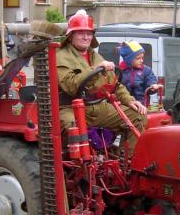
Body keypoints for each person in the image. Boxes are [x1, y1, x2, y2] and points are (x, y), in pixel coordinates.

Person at [56, 10, 147, 155]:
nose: (86, 37)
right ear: (71, 35)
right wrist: (96, 68)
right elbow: (71, 85)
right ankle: (80, 169)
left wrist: (129, 100)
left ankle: (126, 164)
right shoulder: (61, 56)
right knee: (74, 129)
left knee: (138, 115)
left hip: (96, 107)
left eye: (89, 33)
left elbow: (114, 82)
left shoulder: (95, 55)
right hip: (69, 108)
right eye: (80, 33)